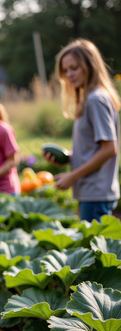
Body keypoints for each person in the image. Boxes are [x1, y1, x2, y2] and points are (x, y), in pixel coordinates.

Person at [43, 38, 120, 222]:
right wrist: (70, 158)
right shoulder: (91, 98)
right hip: (93, 193)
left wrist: (73, 176)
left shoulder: (96, 100)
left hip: (95, 194)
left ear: (90, 66)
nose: (69, 74)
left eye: (74, 68)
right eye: (66, 70)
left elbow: (110, 148)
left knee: (95, 249)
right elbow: (96, 148)